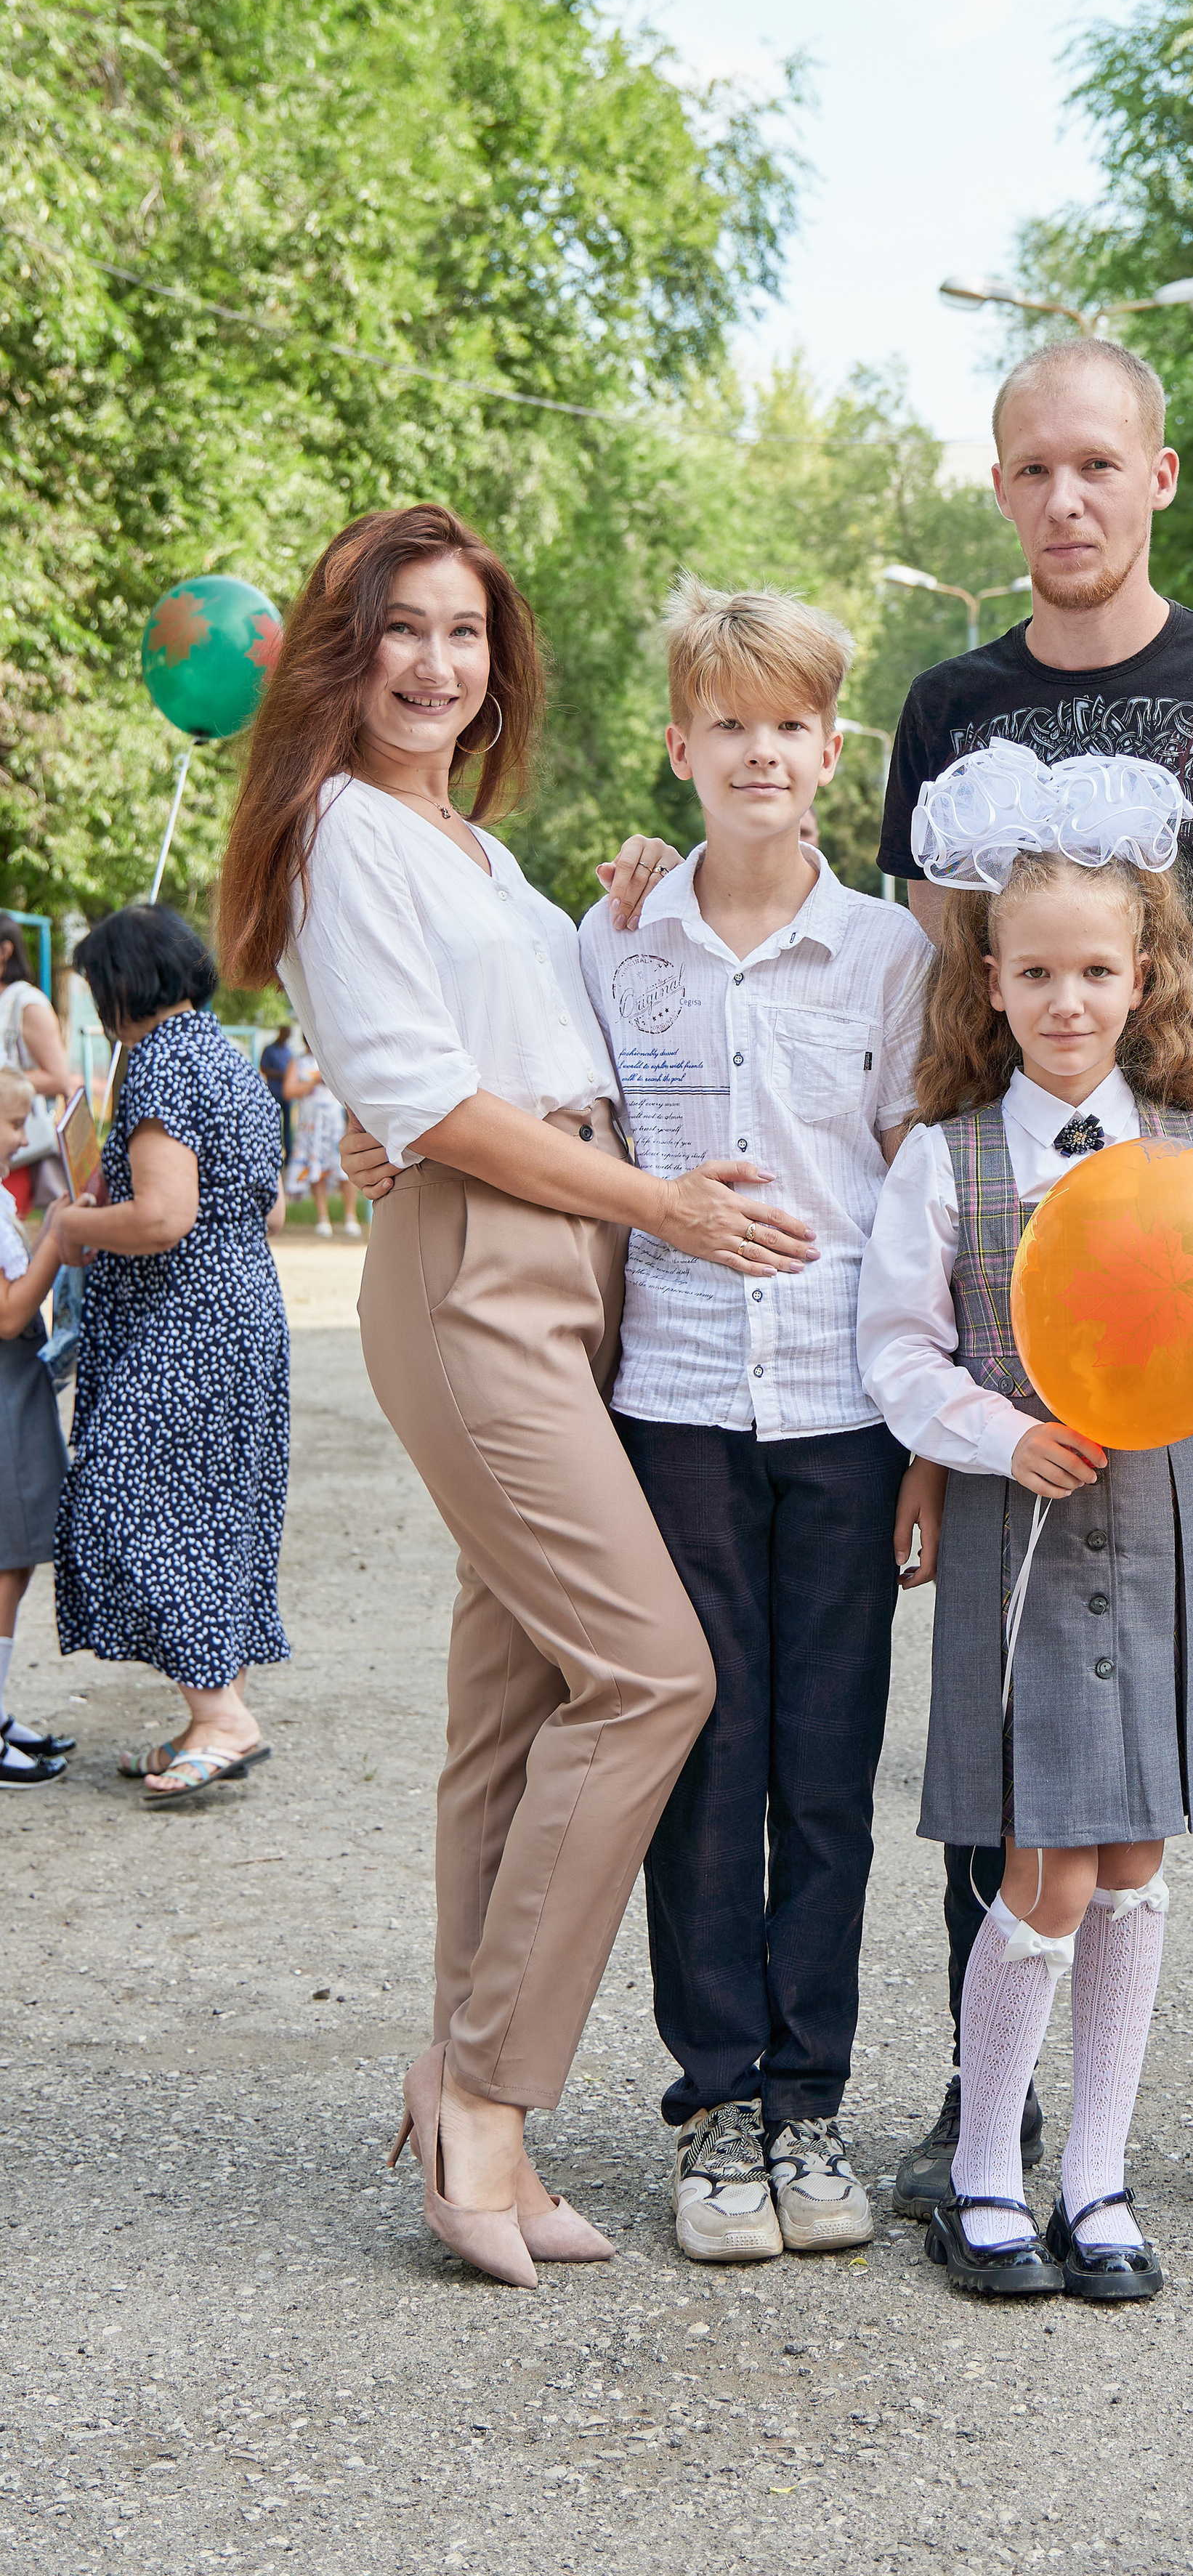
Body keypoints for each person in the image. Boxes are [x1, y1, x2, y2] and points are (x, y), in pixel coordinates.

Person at [219, 501, 817, 2293]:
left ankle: (465, 2087)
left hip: (573, 1261)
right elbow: (422, 1100)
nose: (433, 663)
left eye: (465, 635)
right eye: (400, 629)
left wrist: (620, 909)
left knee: (516, 1698)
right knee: (652, 1670)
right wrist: (664, 1207)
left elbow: (553, 1031)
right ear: (346, 646)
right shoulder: (335, 833)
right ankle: (487, 2088)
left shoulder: (466, 846)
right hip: (487, 1256)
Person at [865, 338, 1193, 2267]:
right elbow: (932, 991)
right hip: (1010, 1295)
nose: (1066, 497)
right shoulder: (949, 707)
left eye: (1098, 462)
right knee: (1005, 1696)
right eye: (1032, 469)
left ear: (1158, 475)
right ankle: (981, 2116)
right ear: (1000, 492)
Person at [857, 745, 1193, 2301]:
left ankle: (1098, 2179)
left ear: (1141, 979)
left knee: (1132, 1863)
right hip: (1023, 1531)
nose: (1067, 1001)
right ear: (989, 981)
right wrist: (992, 1433)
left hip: (1160, 1523)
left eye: (1096, 972)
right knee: (1038, 1868)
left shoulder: (1192, 1151)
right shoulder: (944, 1156)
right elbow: (896, 1352)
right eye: (1035, 972)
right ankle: (986, 2171)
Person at [575, 580, 937, 2266]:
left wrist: (930, 1437)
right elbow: (561, 1136)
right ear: (678, 746)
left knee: (825, 1764)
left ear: (828, 748)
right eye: (728, 724)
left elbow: (917, 1195)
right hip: (677, 1404)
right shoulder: (613, 940)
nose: (760, 752)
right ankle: (712, 2097)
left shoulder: (889, 953)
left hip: (844, 1414)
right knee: (705, 1753)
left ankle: (811, 2101)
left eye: (788, 724)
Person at [51, 907, 289, 1806]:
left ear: (119, 986)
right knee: (206, 1505)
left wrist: (76, 1222)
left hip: (185, 1323)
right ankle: (210, 1710)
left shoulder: (158, 1063)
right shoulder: (220, 1057)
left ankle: (224, 1715)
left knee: (132, 1499)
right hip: (234, 1308)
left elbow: (161, 1218)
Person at [0, 1066, 76, 1788]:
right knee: (4, 1557)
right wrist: (57, 1238)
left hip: (16, 1384)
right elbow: (6, 1312)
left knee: (13, 1557)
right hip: (3, 1386)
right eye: (13, 1123)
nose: (22, 1139)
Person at [0, 916, 82, 1218]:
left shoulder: (27, 1002)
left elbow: (59, 1077)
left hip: (18, 1149)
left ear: (4, 951)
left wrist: (6, 1082)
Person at [285, 1055, 363, 1237]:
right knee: (316, 1170)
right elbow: (289, 1091)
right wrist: (314, 1082)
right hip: (311, 1126)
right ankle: (323, 1219)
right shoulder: (298, 1062)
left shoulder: (335, 1056)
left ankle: (351, 1218)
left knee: (343, 1170)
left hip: (335, 1124)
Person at [258, 1022, 298, 1167]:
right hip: (274, 1093)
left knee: (288, 1127)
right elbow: (264, 1068)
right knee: (274, 1126)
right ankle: (272, 1155)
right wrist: (283, 1075)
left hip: (287, 1095)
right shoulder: (269, 1050)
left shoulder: (288, 1051)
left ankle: (288, 1158)